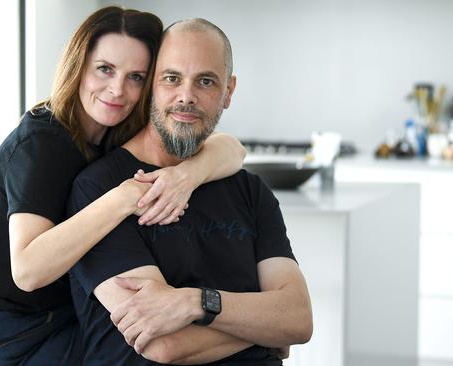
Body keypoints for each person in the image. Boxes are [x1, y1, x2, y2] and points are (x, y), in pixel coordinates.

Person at [0, 7, 247, 366]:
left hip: (60, 313)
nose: (117, 90)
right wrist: (125, 197)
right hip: (2, 329)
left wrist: (187, 175)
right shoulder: (40, 144)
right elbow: (28, 271)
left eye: (136, 76)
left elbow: (233, 149)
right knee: (139, 352)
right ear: (79, 66)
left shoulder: (110, 131)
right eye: (105, 69)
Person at [67, 18, 313, 365]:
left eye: (206, 81)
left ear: (228, 92)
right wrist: (263, 331)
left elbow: (298, 318)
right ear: (152, 83)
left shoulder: (250, 191)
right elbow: (165, 345)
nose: (186, 96)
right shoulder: (100, 191)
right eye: (172, 78)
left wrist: (193, 302)